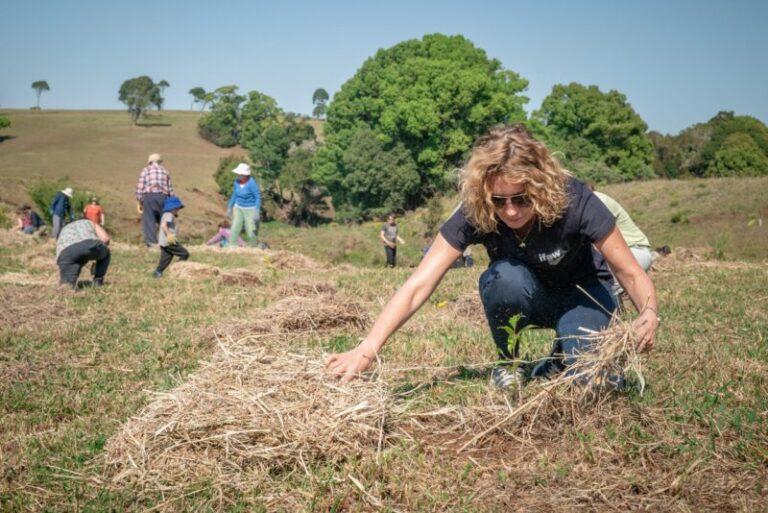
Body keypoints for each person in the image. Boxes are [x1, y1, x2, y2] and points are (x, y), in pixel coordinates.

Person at [326, 124, 659, 387]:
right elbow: (418, 284)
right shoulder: (477, 209)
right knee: (503, 279)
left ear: (540, 185)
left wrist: (648, 312)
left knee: (594, 381)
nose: (511, 211)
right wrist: (367, 348)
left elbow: (629, 271)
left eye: (522, 198)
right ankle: (508, 363)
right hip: (528, 295)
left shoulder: (576, 199)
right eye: (499, 201)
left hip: (584, 296)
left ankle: (564, 352)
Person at [587, 185, 653, 273]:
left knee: (603, 279)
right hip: (622, 253)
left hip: (632, 251)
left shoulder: (596, 201)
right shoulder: (592, 201)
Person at [56, 219, 111, 289]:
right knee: (107, 253)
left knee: (66, 286)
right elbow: (105, 239)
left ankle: (67, 287)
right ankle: (98, 281)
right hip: (88, 244)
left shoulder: (64, 228)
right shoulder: (90, 222)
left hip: (65, 253)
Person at [135, 153, 174, 246]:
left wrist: (139, 200)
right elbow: (170, 189)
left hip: (149, 197)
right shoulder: (165, 171)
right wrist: (172, 203)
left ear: (150, 162)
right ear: (159, 162)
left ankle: (151, 243)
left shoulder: (145, 170)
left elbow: (140, 187)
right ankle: (168, 242)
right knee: (164, 220)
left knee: (149, 220)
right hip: (163, 198)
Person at [152, 196, 189, 278]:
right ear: (173, 208)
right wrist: (169, 235)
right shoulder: (169, 214)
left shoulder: (166, 214)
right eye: (178, 208)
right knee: (184, 253)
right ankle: (178, 270)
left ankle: (157, 272)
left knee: (165, 259)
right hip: (169, 241)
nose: (178, 210)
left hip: (164, 242)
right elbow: (163, 225)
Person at [226, 163, 261, 247]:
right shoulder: (236, 182)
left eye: (239, 174)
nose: (237, 175)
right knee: (235, 226)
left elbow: (258, 196)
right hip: (238, 207)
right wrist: (229, 206)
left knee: (250, 229)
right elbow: (235, 194)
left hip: (250, 208)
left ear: (245, 175)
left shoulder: (251, 183)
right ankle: (231, 245)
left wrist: (257, 211)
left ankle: (253, 246)